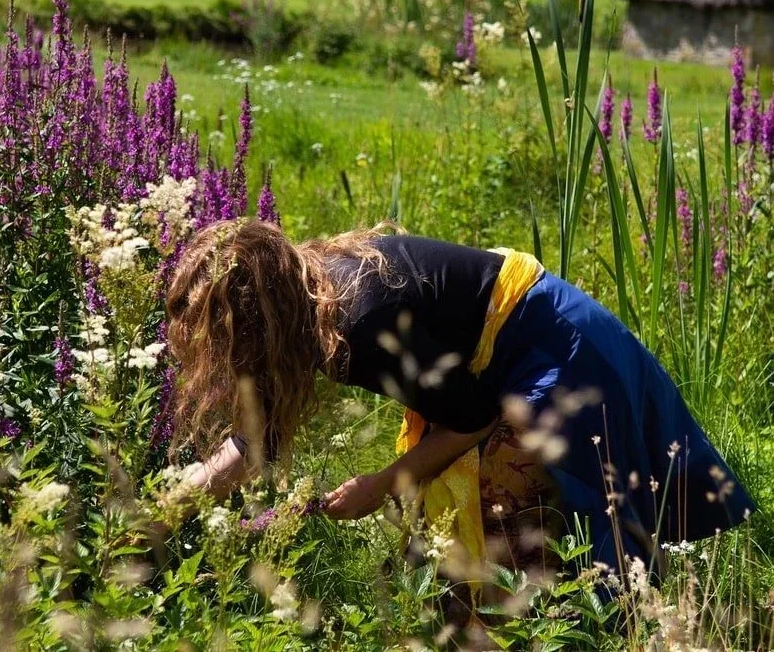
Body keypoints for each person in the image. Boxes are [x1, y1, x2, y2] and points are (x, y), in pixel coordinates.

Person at [163, 219, 753, 583]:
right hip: (506, 356)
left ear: (258, 319)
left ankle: (589, 620)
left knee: (515, 508)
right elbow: (253, 441)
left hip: (556, 346)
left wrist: (383, 483)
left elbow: (471, 420)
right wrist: (166, 512)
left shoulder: (356, 327)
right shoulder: (306, 304)